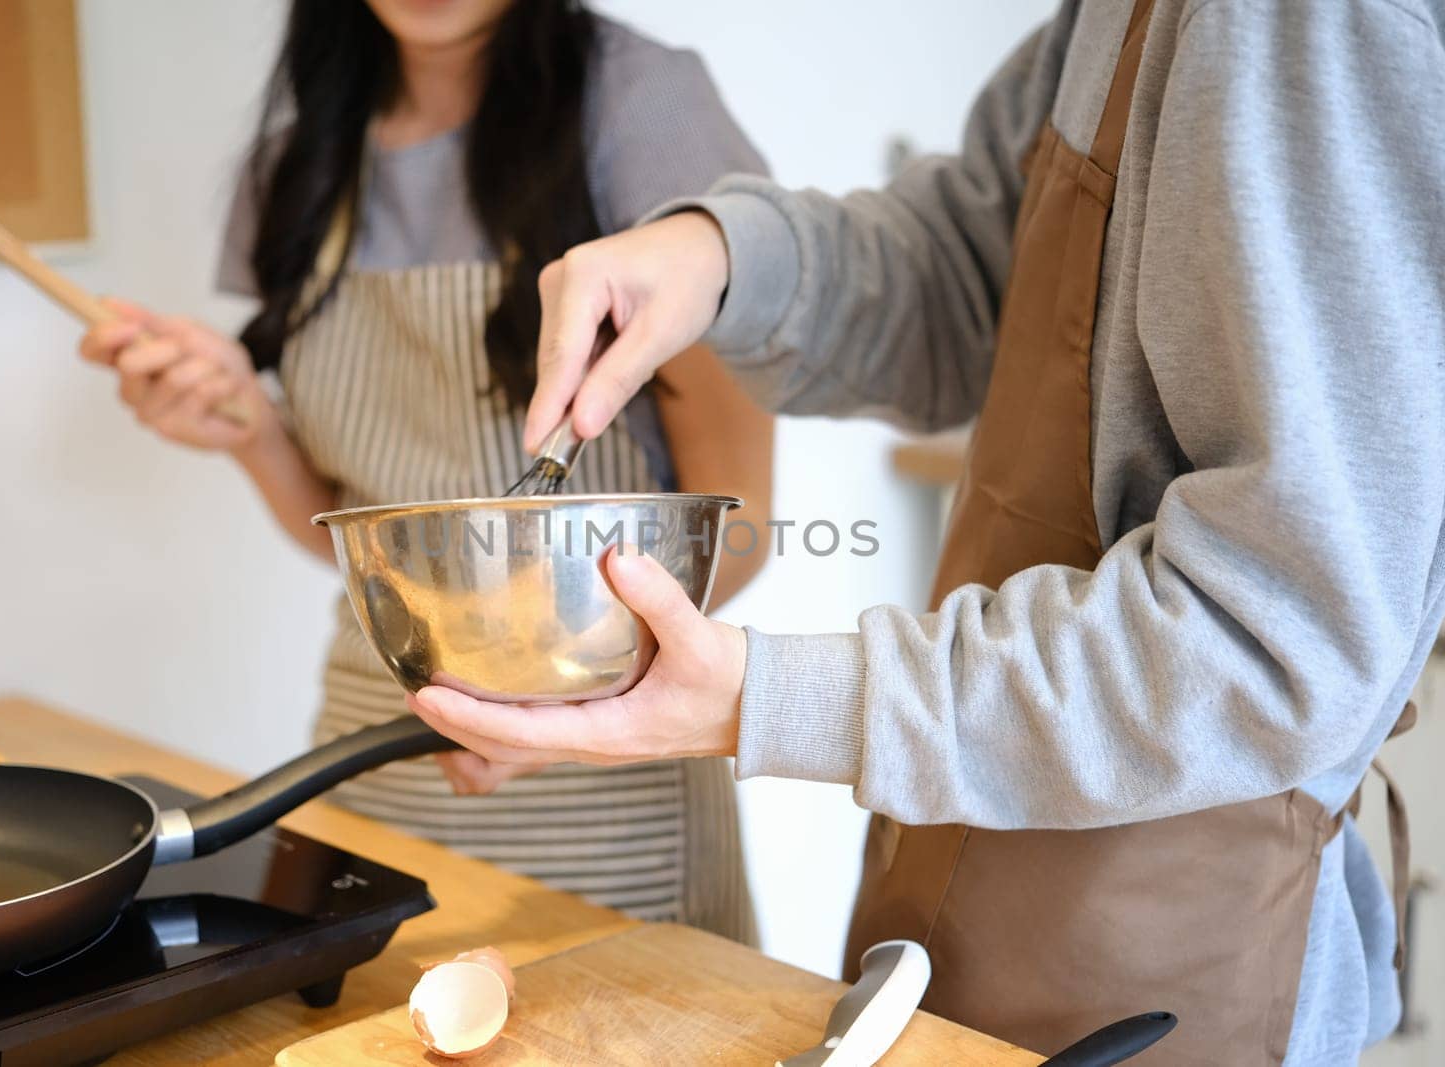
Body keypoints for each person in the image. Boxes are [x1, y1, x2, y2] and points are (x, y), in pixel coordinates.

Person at [402, 0, 1445, 1061]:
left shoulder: (1311, 24)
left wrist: (770, 695)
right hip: (960, 883)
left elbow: (1279, 635)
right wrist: (721, 256)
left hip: (1174, 950)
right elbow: (972, 267)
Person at [79, 0, 774, 942]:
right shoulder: (299, 163)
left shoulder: (646, 105)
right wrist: (248, 425)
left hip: (606, 779)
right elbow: (359, 535)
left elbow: (739, 523)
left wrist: (568, 707)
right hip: (377, 749)